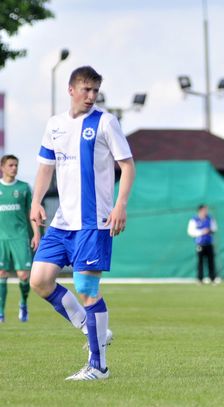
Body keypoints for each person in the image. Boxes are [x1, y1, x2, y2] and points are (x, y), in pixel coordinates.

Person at [29, 66, 135, 381]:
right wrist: (36, 201)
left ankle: (99, 367)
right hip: (63, 222)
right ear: (71, 89)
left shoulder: (106, 122)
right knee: (39, 280)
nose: (91, 96)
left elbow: (127, 166)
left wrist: (120, 205)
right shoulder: (55, 124)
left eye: (95, 91)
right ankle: (91, 329)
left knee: (87, 288)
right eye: (86, 90)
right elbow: (45, 167)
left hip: (94, 222)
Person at [0, 155, 41, 322]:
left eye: (16, 165)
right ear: (2, 167)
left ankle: (23, 303)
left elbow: (32, 213)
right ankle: (1, 313)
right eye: (10, 165)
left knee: (24, 275)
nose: (14, 168)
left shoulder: (23, 188)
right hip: (1, 238)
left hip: (19, 237)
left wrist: (36, 234)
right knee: (1, 274)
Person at [187, 204, 218, 284]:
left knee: (211, 261)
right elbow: (190, 232)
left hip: (209, 243)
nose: (206, 211)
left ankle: (212, 278)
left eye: (206, 210)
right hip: (200, 244)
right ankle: (200, 279)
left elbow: (214, 228)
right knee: (200, 262)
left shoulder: (210, 218)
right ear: (200, 210)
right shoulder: (194, 220)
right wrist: (202, 232)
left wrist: (210, 230)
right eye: (204, 210)